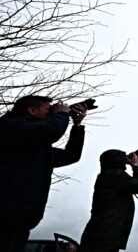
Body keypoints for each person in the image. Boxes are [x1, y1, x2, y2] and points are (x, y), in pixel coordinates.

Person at [0, 95, 87, 252]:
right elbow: (49, 132)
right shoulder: (11, 127)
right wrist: (62, 113)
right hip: (4, 213)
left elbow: (71, 155)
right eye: (49, 109)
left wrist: (77, 125)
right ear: (32, 110)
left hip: (20, 217)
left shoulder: (37, 147)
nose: (52, 113)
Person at [78, 147, 138, 252]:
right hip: (104, 238)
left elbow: (137, 184)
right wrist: (136, 166)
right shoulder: (114, 175)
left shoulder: (107, 176)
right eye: (123, 158)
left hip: (101, 236)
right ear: (116, 160)